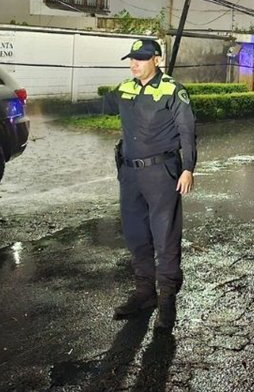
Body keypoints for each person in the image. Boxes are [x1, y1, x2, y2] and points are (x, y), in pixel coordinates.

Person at [102, 38, 196, 332]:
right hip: (129, 174)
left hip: (162, 174)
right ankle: (145, 294)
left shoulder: (172, 91)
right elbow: (99, 106)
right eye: (132, 58)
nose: (134, 64)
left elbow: (187, 132)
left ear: (157, 59)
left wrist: (188, 169)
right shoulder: (125, 88)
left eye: (141, 59)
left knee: (164, 237)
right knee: (135, 234)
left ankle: (167, 301)